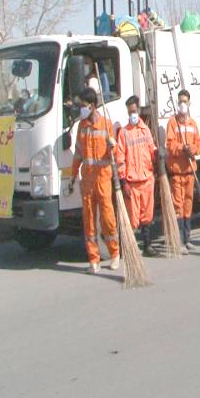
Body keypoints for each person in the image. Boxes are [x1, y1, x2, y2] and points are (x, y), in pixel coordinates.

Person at [67, 87, 120, 273]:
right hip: (87, 180)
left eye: (82, 105)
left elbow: (116, 152)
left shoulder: (106, 124)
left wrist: (113, 146)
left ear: (91, 105)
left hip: (103, 179)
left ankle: (114, 254)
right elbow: (78, 155)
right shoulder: (82, 126)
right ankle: (94, 260)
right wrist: (73, 176)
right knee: (89, 220)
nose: (81, 108)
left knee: (107, 219)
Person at [115, 95, 157, 258]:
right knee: (132, 218)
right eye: (129, 112)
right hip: (132, 182)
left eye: (134, 111)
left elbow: (151, 150)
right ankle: (130, 248)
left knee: (147, 215)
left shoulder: (145, 130)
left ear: (139, 110)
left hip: (147, 179)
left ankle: (147, 245)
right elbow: (120, 158)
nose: (132, 114)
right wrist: (123, 181)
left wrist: (157, 158)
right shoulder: (124, 133)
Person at [166, 89, 200, 252]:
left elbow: (199, 145)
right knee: (178, 206)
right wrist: (183, 148)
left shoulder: (193, 123)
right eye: (180, 101)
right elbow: (170, 145)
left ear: (189, 103)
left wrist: (193, 149)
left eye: (185, 101)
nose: (182, 104)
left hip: (189, 171)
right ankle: (179, 240)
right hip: (177, 171)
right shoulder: (172, 123)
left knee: (188, 204)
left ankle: (187, 238)